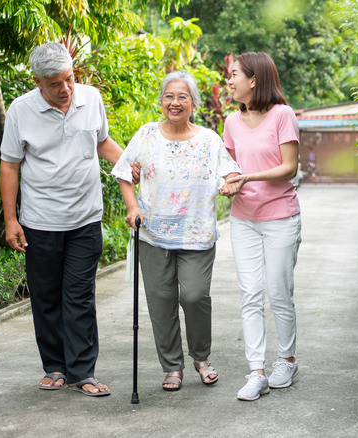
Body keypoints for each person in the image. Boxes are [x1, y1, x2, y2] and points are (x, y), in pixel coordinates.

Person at [0, 42, 123, 397]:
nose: (65, 88)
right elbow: (10, 164)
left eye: (69, 79)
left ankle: (82, 371)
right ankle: (54, 366)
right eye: (55, 83)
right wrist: (11, 219)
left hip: (85, 217)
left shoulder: (91, 99)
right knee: (47, 296)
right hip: (40, 221)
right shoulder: (21, 110)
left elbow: (102, 142)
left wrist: (133, 165)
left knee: (80, 295)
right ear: (36, 81)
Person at [112, 71, 241, 391]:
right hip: (153, 234)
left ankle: (201, 357)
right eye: (169, 96)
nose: (175, 102)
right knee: (160, 300)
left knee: (196, 295)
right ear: (161, 101)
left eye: (182, 96)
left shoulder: (209, 140)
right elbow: (124, 172)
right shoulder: (146, 135)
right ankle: (172, 367)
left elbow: (232, 173)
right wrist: (132, 207)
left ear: (193, 103)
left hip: (196, 234)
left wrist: (228, 184)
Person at [219, 52, 302, 401]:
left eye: (234, 74)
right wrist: (227, 181)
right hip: (243, 219)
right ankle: (256, 371)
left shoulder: (283, 115)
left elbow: (289, 167)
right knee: (250, 294)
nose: (229, 80)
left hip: (281, 216)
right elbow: (226, 163)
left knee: (278, 292)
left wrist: (248, 176)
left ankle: (287, 359)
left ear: (254, 79)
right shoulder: (231, 121)